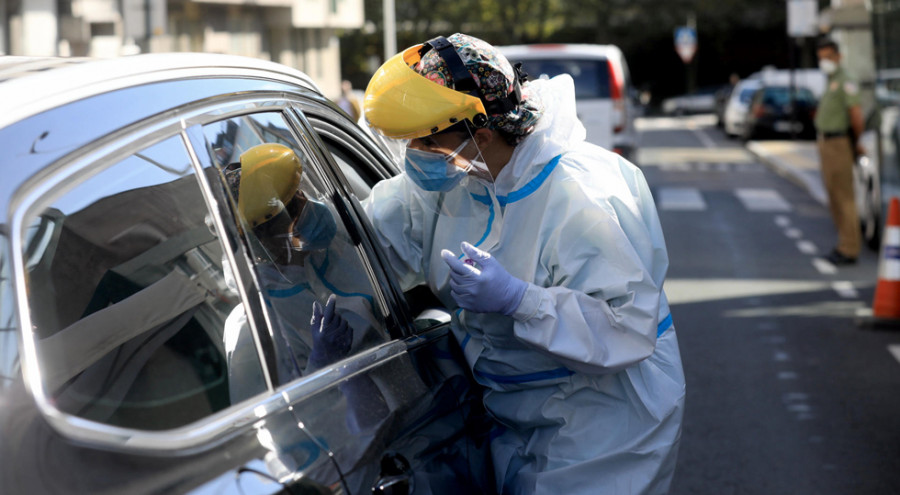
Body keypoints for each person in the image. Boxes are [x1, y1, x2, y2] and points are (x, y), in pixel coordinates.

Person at [362, 33, 685, 494]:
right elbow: (371, 232)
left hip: (604, 422)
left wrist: (520, 300)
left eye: (423, 142)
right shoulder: (463, 172)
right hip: (510, 410)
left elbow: (628, 328)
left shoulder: (579, 193)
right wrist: (303, 225)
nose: (414, 155)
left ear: (483, 134)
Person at [815, 37, 865, 266]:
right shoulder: (831, 80)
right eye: (821, 58)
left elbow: (856, 115)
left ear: (838, 56)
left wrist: (858, 141)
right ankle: (842, 244)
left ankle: (849, 248)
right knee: (833, 196)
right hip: (826, 143)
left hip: (839, 143)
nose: (824, 62)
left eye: (828, 57)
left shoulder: (846, 81)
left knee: (844, 197)